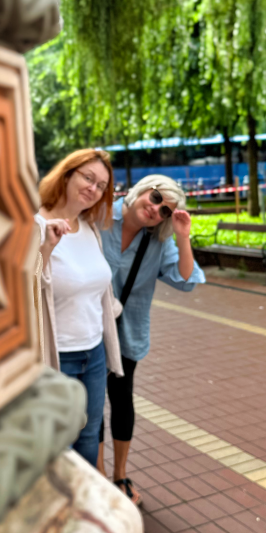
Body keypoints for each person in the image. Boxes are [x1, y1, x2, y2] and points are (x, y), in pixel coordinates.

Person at [98, 175, 205, 504]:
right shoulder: (98, 217)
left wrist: (182, 236)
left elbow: (186, 279)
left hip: (126, 329)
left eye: (165, 210)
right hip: (85, 327)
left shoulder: (159, 239)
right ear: (142, 189)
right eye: (155, 197)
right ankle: (98, 476)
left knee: (121, 399)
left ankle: (119, 475)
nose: (155, 208)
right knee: (87, 405)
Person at [35, 149, 123, 468]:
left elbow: (97, 287)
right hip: (56, 357)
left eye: (101, 186)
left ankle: (80, 510)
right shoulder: (33, 224)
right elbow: (21, 291)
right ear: (67, 174)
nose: (94, 189)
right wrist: (45, 247)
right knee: (56, 445)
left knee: (88, 437)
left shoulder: (88, 228)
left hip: (93, 354)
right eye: (88, 178)